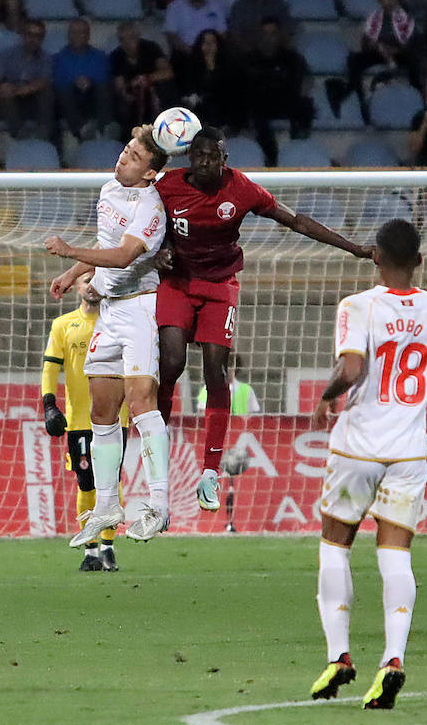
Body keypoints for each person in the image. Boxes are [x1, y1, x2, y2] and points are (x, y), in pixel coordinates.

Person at [153, 126, 373, 513]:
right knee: (170, 362)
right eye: (199, 156)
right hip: (178, 283)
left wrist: (353, 248)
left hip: (220, 286)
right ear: (189, 157)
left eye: (213, 157)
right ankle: (155, 451)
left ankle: (210, 472)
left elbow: (297, 221)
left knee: (216, 371)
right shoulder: (166, 186)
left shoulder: (242, 190)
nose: (205, 163)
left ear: (225, 160)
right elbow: (145, 228)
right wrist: (160, 252)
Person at [307, 218, 427, 710]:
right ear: (419, 261)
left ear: (375, 257)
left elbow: (352, 367)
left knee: (335, 545)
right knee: (395, 554)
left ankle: (339, 655)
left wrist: (326, 395)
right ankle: (393, 660)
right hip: (408, 452)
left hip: (357, 447)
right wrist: (423, 366)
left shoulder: (358, 305)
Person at [46, 126, 172, 543]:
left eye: (134, 157)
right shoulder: (107, 190)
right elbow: (105, 244)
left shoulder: (151, 207)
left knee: (140, 402)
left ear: (151, 172)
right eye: (125, 150)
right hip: (110, 311)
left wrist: (70, 251)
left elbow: (122, 255)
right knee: (102, 409)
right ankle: (106, 506)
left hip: (140, 309)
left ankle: (159, 505)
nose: (122, 158)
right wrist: (71, 274)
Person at [42, 273, 123, 572]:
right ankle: (90, 551)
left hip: (116, 417)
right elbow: (51, 368)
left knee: (112, 483)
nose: (91, 285)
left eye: (96, 279)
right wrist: (49, 405)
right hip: (79, 420)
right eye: (85, 279)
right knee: (85, 483)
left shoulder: (117, 322)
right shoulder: (63, 325)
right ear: (76, 286)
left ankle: (108, 546)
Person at [242, 17, 313, 167]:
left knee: (305, 105)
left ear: (279, 36)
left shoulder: (292, 58)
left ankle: (297, 145)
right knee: (253, 113)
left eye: (273, 33)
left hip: (285, 101)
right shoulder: (249, 59)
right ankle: (271, 158)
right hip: (259, 105)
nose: (269, 38)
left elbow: (304, 83)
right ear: (259, 36)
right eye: (265, 34)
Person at [345, 0, 420, 108]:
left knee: (414, 59)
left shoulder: (405, 18)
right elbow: (365, 44)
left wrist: (392, 51)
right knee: (354, 60)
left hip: (399, 54)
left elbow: (409, 44)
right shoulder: (374, 17)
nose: (390, 0)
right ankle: (358, 97)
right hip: (377, 53)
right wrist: (375, 46)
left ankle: (418, 94)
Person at [0, 18, 55, 141]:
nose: (33, 39)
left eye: (38, 36)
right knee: (4, 93)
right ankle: (19, 134)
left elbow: (44, 80)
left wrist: (22, 89)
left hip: (30, 101)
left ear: (42, 39)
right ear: (22, 35)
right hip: (6, 102)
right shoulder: (6, 55)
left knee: (47, 90)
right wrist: (2, 88)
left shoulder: (47, 58)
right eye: (30, 34)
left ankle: (44, 133)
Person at [52, 17, 114, 143]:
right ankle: (80, 129)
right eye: (74, 32)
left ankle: (105, 129)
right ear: (69, 35)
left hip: (92, 95)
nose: (77, 36)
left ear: (88, 35)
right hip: (69, 98)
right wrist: (75, 81)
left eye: (82, 32)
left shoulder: (100, 56)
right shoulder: (58, 57)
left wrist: (89, 80)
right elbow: (57, 80)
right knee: (63, 90)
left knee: (104, 87)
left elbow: (104, 76)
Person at [110, 20, 176, 138]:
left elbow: (168, 72)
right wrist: (127, 94)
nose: (128, 43)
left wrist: (146, 78)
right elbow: (119, 85)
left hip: (155, 91)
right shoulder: (116, 56)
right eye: (123, 39)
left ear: (138, 37)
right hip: (133, 96)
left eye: (131, 38)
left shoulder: (151, 48)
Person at [177, 28, 242, 132]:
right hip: (199, 105)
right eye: (205, 42)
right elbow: (188, 87)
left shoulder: (229, 65)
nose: (209, 46)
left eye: (212, 42)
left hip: (223, 105)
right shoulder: (192, 64)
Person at [163, 0, 227, 62]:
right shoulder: (174, 7)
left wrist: (208, 52)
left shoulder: (217, 6)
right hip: (185, 54)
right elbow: (172, 36)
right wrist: (193, 52)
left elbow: (222, 34)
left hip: (212, 54)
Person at [227, 0, 293, 54]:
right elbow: (235, 35)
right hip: (246, 57)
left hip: (274, 56)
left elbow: (286, 32)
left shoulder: (279, 6)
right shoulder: (238, 7)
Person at [194, 353, 259, 415]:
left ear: (235, 366)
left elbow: (253, 417)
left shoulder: (247, 390)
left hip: (240, 425)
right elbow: (202, 417)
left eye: (229, 365)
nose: (226, 370)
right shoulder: (206, 389)